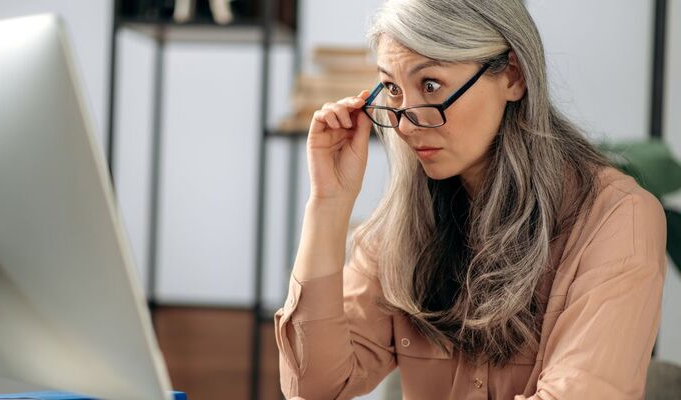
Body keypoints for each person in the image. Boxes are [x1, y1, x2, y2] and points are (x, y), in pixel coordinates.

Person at [273, 0, 668, 399]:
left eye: (430, 85)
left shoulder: (617, 219)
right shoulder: (406, 224)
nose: (406, 124)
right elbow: (315, 386)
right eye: (392, 89)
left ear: (513, 75)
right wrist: (328, 203)